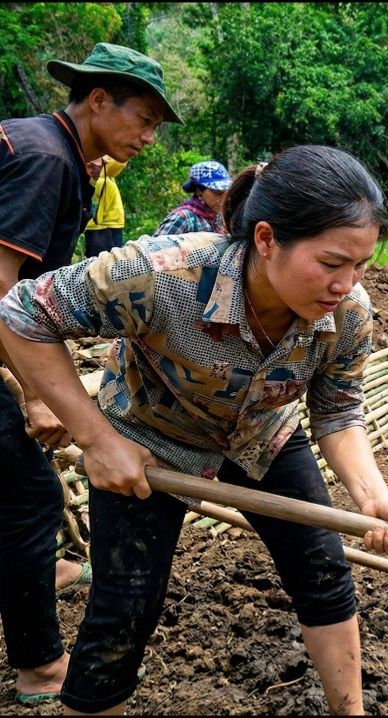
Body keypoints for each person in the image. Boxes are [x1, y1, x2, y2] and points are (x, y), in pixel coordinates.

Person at [0, 143, 388, 715]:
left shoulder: (349, 314)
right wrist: (96, 440)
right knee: (125, 610)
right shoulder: (161, 274)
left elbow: (338, 411)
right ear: (266, 240)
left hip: (261, 436)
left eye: (361, 265)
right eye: (331, 262)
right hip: (148, 439)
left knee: (323, 571)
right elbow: (22, 313)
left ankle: (350, 711)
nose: (347, 283)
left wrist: (373, 496)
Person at [0, 41, 179, 705]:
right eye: (144, 118)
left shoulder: (47, 150)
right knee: (30, 501)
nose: (150, 136)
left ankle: (27, 572)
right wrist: (36, 396)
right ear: (98, 101)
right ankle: (42, 667)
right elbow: (1, 290)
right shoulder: (47, 161)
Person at [155, 160, 231, 235]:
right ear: (199, 191)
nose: (224, 198)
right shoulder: (183, 219)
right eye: (218, 193)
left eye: (226, 193)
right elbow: (156, 246)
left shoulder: (219, 218)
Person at [83, 155, 128, 257]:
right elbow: (119, 161)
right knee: (107, 264)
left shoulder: (105, 175)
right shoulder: (100, 177)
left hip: (105, 226)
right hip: (103, 227)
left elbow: (120, 161)